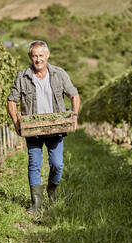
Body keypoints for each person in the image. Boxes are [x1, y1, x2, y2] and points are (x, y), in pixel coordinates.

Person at [7, 40, 80, 213]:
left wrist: (75, 115)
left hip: (55, 128)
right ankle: (36, 202)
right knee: (34, 164)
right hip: (33, 130)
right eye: (34, 56)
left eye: (41, 55)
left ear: (47, 55)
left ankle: (52, 190)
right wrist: (16, 122)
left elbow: (74, 94)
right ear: (30, 57)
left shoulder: (58, 73)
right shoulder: (23, 76)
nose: (38, 59)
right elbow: (12, 100)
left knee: (57, 164)